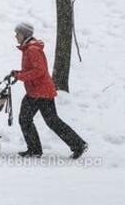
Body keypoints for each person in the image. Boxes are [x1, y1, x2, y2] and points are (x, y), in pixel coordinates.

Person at [11, 22, 88, 159]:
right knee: (52, 121)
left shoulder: (32, 50)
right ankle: (78, 144)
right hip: (40, 90)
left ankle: (35, 150)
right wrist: (17, 73)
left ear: (24, 34)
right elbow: (33, 70)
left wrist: (20, 76)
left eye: (18, 33)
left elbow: (39, 71)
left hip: (38, 91)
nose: (16, 36)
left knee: (25, 119)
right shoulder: (30, 48)